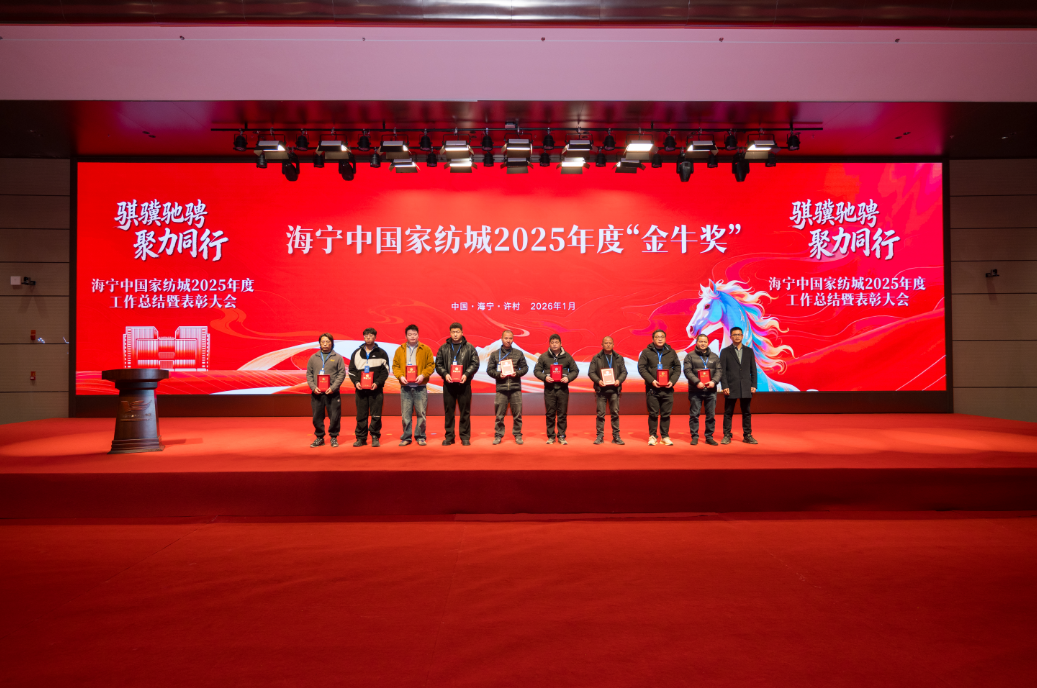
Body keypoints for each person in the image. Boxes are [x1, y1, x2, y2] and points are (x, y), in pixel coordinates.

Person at [434, 322, 479, 446]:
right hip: (449, 385)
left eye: (457, 332)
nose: (455, 334)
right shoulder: (443, 348)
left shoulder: (469, 347)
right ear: (450, 333)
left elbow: (475, 363)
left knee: (465, 411)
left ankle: (465, 437)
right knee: (449, 411)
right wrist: (445, 374)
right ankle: (449, 437)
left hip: (464, 384)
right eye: (453, 332)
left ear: (462, 333)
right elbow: (438, 364)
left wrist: (466, 374)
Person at [391, 324, 435, 447]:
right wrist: (400, 376)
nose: (412, 336)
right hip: (405, 387)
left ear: (418, 335)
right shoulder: (400, 350)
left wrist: (423, 375)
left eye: (414, 334)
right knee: (406, 414)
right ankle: (406, 437)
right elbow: (395, 366)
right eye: (410, 334)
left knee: (421, 413)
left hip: (420, 387)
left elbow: (431, 365)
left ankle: (420, 436)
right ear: (406, 336)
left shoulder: (425, 349)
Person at [347, 327, 390, 447]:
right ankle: (361, 438)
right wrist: (356, 382)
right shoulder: (356, 353)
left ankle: (375, 436)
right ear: (363, 337)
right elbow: (351, 370)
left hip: (376, 390)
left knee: (376, 414)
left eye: (371, 335)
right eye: (366, 335)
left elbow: (385, 371)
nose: (368, 338)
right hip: (361, 390)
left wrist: (377, 383)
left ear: (375, 337)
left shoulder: (382, 353)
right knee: (361, 415)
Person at [637, 329, 681, 446]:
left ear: (665, 339)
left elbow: (677, 368)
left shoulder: (671, 352)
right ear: (653, 339)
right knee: (653, 414)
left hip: (668, 388)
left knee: (666, 414)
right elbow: (641, 368)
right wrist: (652, 381)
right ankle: (652, 436)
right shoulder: (646, 352)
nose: (660, 339)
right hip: (652, 389)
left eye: (662, 337)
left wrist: (672, 381)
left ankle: (665, 436)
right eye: (657, 337)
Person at [534, 334, 579, 444]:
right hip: (549, 390)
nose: (554, 344)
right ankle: (551, 436)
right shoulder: (544, 357)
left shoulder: (567, 357)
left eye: (556, 342)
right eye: (552, 342)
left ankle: (561, 436)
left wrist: (568, 378)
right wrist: (545, 377)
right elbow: (537, 371)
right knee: (550, 414)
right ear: (549, 344)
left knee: (562, 414)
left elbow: (575, 371)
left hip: (563, 389)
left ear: (561, 344)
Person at [486, 329, 528, 445]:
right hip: (501, 389)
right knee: (499, 415)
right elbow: (489, 370)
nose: (508, 340)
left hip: (515, 388)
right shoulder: (495, 354)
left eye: (510, 338)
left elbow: (525, 368)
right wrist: (499, 375)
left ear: (513, 339)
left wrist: (517, 373)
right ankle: (498, 435)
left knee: (517, 415)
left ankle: (518, 435)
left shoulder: (518, 353)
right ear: (502, 339)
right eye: (506, 338)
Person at [305, 333, 346, 448]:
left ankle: (333, 437)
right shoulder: (313, 357)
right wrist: (313, 387)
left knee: (335, 416)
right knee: (317, 417)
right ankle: (319, 437)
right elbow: (309, 374)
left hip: (332, 393)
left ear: (332, 343)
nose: (325, 344)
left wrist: (333, 388)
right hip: (317, 393)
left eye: (328, 341)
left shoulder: (337, 357)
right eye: (323, 341)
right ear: (319, 343)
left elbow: (341, 374)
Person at [719, 326, 758, 445]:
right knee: (728, 412)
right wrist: (724, 386)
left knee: (746, 412)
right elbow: (722, 371)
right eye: (734, 334)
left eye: (739, 334)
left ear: (742, 336)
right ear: (730, 336)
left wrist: (753, 384)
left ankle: (747, 435)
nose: (737, 336)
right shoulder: (725, 351)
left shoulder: (749, 351)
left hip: (746, 386)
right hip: (731, 387)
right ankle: (727, 435)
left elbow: (753, 369)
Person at [587, 336, 627, 445]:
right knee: (600, 414)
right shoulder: (596, 358)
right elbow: (591, 372)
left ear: (613, 345)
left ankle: (616, 436)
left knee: (615, 413)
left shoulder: (619, 358)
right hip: (601, 390)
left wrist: (619, 380)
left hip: (614, 390)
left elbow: (624, 372)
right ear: (602, 345)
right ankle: (600, 436)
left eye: (610, 343)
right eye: (606, 343)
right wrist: (598, 381)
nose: (608, 344)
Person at [683, 333, 721, 446]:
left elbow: (719, 371)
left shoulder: (714, 356)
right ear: (697, 343)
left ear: (708, 343)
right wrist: (697, 382)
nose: (703, 343)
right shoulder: (689, 356)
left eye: (705, 342)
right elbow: (687, 371)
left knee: (711, 416)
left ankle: (709, 437)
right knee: (694, 415)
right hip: (695, 390)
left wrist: (714, 381)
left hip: (711, 391)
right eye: (700, 341)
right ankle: (694, 436)